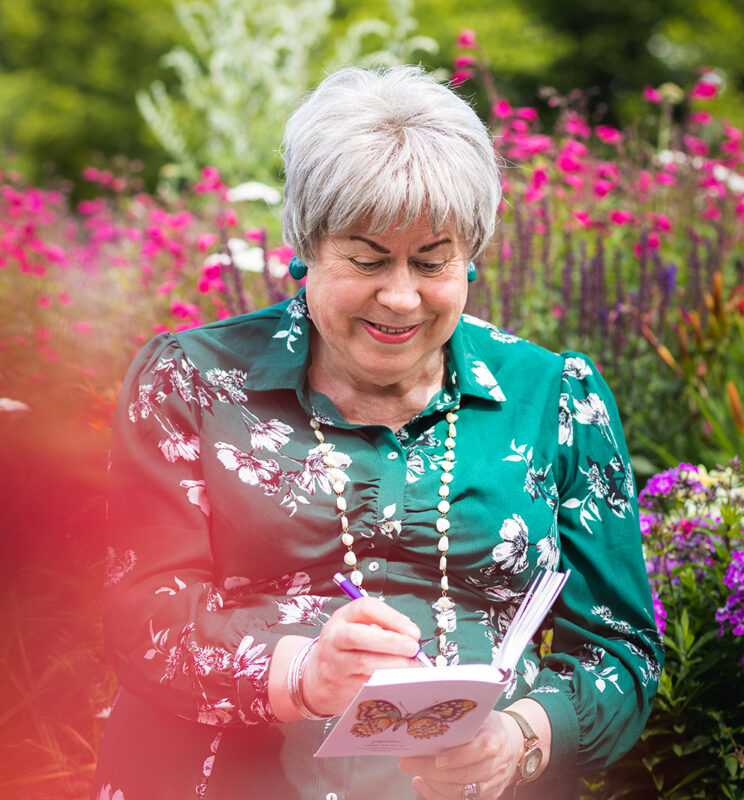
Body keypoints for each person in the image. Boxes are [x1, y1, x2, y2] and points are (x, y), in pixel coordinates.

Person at [93, 66, 663, 800]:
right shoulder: (192, 382)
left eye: (433, 263)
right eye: (366, 259)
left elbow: (620, 649)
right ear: (306, 242)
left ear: (472, 256)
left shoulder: (553, 397)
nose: (400, 297)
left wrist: (520, 739)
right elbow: (141, 614)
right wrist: (302, 673)